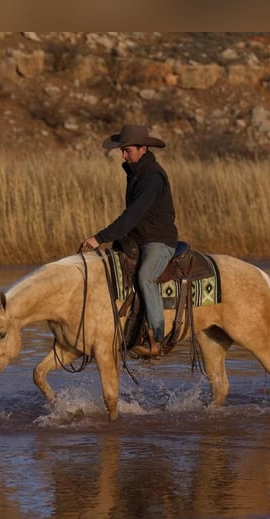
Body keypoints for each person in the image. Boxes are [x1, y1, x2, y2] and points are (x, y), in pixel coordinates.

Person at [82, 125, 178, 358]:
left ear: (142, 149)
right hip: (140, 239)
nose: (123, 155)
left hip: (159, 241)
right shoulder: (136, 173)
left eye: (127, 150)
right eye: (122, 151)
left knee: (146, 277)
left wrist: (101, 237)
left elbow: (132, 216)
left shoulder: (152, 177)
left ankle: (156, 337)